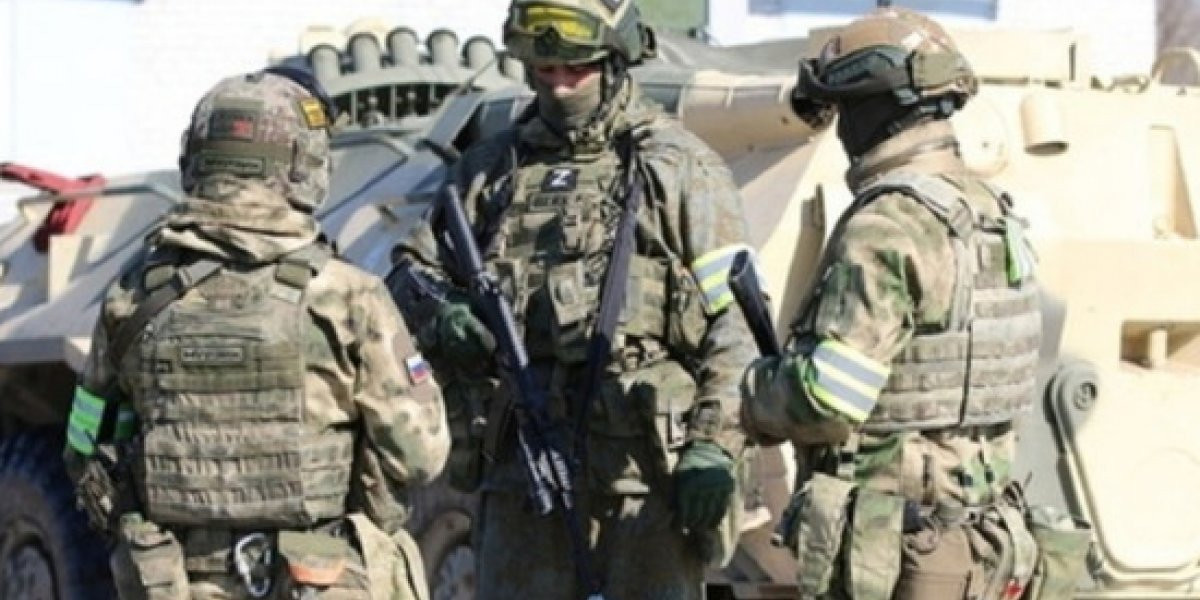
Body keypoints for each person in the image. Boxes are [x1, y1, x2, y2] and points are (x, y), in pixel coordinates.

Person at [388, 1, 758, 597]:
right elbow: (409, 275)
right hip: (521, 471)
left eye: (576, 69)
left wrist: (715, 444)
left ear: (614, 61)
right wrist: (443, 313)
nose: (559, 86)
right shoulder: (490, 171)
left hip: (642, 478)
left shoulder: (675, 167)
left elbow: (736, 322)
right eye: (545, 70)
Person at [64, 68, 449, 599]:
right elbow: (420, 454)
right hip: (317, 574)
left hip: (179, 580)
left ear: (195, 160)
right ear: (304, 164)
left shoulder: (132, 298)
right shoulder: (346, 295)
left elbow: (86, 446)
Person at [741, 7, 1053, 600]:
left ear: (873, 110)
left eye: (846, 109)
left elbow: (829, 400)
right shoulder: (992, 212)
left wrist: (753, 396)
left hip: (900, 551)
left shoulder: (887, 224)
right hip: (983, 537)